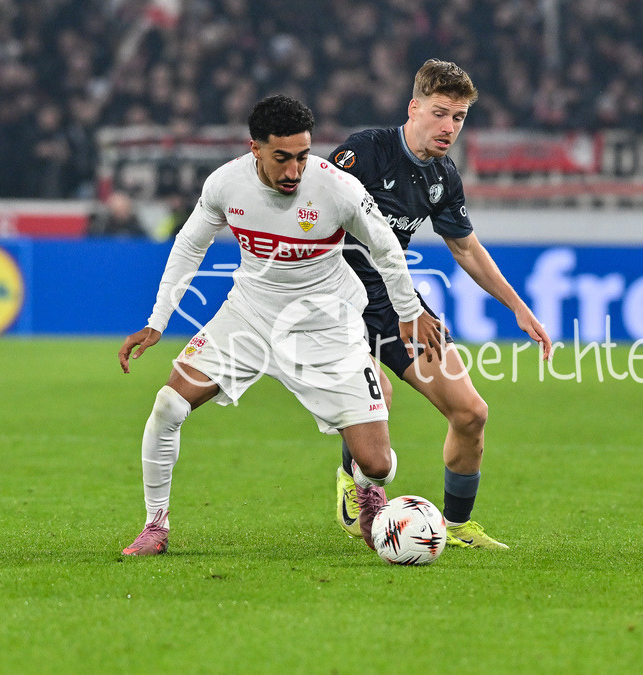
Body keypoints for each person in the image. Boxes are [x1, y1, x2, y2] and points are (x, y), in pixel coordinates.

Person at [118, 94, 444, 555]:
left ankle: (366, 487)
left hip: (326, 326)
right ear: (255, 148)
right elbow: (190, 246)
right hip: (250, 315)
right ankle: (156, 526)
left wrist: (409, 312)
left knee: (378, 463)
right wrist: (157, 321)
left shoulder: (337, 188)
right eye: (282, 158)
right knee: (168, 406)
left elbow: (387, 249)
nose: (294, 171)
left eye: (303, 156)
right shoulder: (225, 185)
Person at [328, 59, 552, 550]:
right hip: (331, 301)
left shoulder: (443, 178)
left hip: (396, 304)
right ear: (414, 108)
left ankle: (457, 526)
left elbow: (466, 248)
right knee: (377, 396)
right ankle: (354, 482)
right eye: (440, 113)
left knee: (471, 413)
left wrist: (518, 307)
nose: (449, 127)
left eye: (460, 118)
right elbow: (309, 209)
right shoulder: (364, 153)